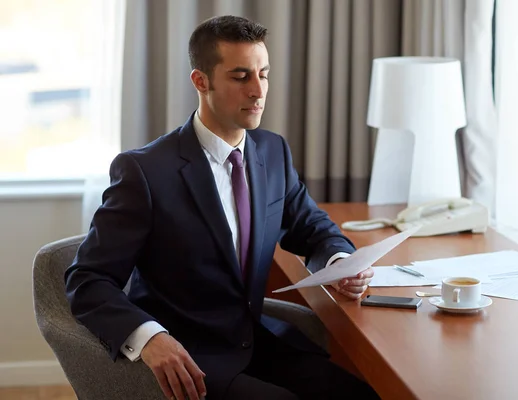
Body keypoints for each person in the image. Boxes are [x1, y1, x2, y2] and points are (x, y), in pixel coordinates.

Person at [65, 15, 378, 400]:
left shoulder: (272, 151)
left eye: (263, 74)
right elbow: (87, 280)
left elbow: (311, 227)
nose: (258, 90)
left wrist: (340, 264)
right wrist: (150, 339)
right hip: (191, 358)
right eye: (241, 76)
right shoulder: (145, 171)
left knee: (366, 394)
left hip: (258, 341)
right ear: (201, 81)